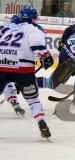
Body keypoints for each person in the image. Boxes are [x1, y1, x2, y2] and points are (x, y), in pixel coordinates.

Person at [0, 6, 54, 139]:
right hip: (23, 68)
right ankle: (40, 120)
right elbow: (38, 47)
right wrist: (45, 57)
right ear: (34, 18)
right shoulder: (33, 29)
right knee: (33, 100)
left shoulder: (4, 26)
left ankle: (13, 101)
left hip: (1, 64)